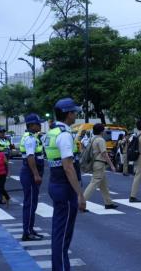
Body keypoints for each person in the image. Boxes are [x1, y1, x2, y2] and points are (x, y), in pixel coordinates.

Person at [46, 98, 86, 271]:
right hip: (65, 187)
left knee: (59, 232)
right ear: (69, 114)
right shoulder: (64, 135)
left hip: (55, 183)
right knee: (63, 236)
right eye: (74, 112)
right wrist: (80, 194)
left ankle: (59, 266)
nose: (76, 114)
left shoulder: (53, 132)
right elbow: (68, 167)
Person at [20, 113, 46, 241]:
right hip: (30, 174)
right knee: (30, 203)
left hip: (30, 173)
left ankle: (30, 229)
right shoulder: (30, 138)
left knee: (32, 203)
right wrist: (36, 174)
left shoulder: (32, 137)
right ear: (31, 125)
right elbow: (30, 157)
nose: (40, 125)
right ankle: (27, 232)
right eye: (38, 123)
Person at [83, 124, 118, 209]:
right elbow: (104, 154)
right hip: (99, 163)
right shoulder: (100, 140)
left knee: (103, 185)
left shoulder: (93, 139)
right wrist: (112, 165)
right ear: (102, 131)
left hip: (96, 163)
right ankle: (81, 202)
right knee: (94, 183)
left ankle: (108, 202)